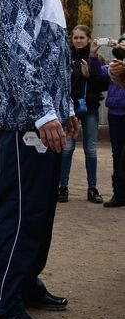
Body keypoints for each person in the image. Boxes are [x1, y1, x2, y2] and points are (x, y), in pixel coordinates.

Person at [0, 0, 79, 319]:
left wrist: (68, 109)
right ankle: (4, 300)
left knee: (40, 213)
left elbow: (55, 59)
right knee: (20, 213)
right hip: (27, 122)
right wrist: (44, 112)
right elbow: (17, 55)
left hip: (47, 118)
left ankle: (26, 282)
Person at [58, 26, 108, 204]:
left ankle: (92, 188)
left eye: (81, 38)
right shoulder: (65, 57)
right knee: (67, 148)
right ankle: (62, 187)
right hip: (69, 108)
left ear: (88, 39)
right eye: (75, 38)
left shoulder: (96, 58)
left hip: (90, 108)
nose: (78, 41)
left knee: (91, 149)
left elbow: (105, 84)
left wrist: (90, 76)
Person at [103, 44, 125, 207]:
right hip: (115, 114)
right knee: (118, 155)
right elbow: (99, 72)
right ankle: (119, 193)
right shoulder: (115, 64)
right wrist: (93, 55)